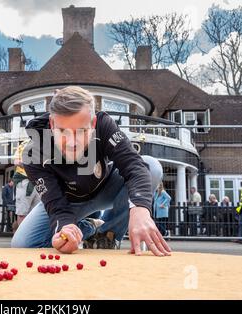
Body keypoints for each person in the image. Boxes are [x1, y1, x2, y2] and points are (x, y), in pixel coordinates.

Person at [10, 86, 168, 256]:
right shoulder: (33, 153)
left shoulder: (104, 124)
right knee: (23, 243)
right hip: (67, 201)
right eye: (63, 131)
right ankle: (90, 227)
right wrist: (65, 228)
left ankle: (108, 234)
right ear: (52, 124)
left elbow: (134, 165)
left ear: (93, 124)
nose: (72, 142)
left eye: (82, 131)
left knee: (152, 166)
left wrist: (140, 208)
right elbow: (56, 205)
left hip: (107, 189)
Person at [12, 139, 40, 227]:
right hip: (25, 180)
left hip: (39, 181)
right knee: (22, 212)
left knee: (37, 213)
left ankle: (32, 238)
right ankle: (22, 239)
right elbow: (16, 161)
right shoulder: (24, 144)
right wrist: (31, 165)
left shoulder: (45, 142)